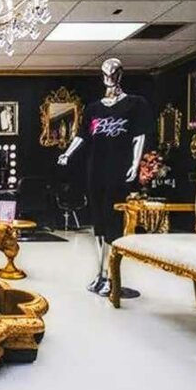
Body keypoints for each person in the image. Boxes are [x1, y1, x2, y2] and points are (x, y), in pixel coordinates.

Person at [58, 58, 153, 297]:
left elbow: (139, 136)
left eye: (114, 73)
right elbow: (82, 136)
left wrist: (135, 163)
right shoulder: (93, 109)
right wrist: (67, 153)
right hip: (95, 169)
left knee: (113, 222)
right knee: (98, 223)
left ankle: (113, 275)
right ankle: (100, 273)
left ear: (120, 74)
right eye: (106, 73)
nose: (109, 78)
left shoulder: (135, 104)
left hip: (118, 169)